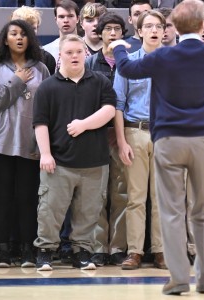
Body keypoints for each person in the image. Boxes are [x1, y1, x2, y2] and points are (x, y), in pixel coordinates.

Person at [109, 0, 204, 294]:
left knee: (171, 211)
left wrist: (117, 47)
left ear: (173, 28)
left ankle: (179, 279)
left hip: (167, 141)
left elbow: (126, 68)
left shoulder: (163, 56)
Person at [33, 34, 116, 271]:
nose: (74, 56)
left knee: (89, 213)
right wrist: (46, 154)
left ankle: (82, 253)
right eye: (69, 52)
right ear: (61, 55)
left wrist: (84, 124)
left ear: (85, 54)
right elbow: (40, 123)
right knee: (50, 210)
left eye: (79, 52)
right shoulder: (47, 87)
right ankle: (45, 251)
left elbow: (110, 110)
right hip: (59, 162)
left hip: (95, 162)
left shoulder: (100, 82)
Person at [0, 19, 50, 268]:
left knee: (28, 198)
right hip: (0, 143)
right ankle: (2, 250)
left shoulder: (42, 68)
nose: (19, 38)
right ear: (5, 39)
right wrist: (16, 80)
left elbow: (47, 106)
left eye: (24, 34)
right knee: (1, 197)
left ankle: (28, 249)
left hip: (31, 143)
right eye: (14, 34)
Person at [113, 10, 166, 271]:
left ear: (164, 31)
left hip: (165, 135)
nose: (154, 30)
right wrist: (121, 141)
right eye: (149, 26)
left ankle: (160, 250)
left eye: (159, 26)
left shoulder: (173, 63)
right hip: (136, 131)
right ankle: (134, 250)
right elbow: (118, 105)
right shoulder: (128, 63)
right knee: (135, 197)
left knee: (162, 198)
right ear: (140, 31)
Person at [85, 11, 128, 267]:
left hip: (123, 135)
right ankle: (98, 246)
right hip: (96, 135)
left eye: (117, 29)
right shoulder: (89, 63)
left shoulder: (129, 62)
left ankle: (118, 247)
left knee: (122, 194)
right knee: (97, 194)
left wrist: (119, 131)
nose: (113, 33)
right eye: (108, 28)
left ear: (123, 33)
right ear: (99, 33)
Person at [11, 5, 57, 75]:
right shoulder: (0, 58)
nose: (29, 32)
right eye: (24, 28)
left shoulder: (47, 59)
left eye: (33, 28)